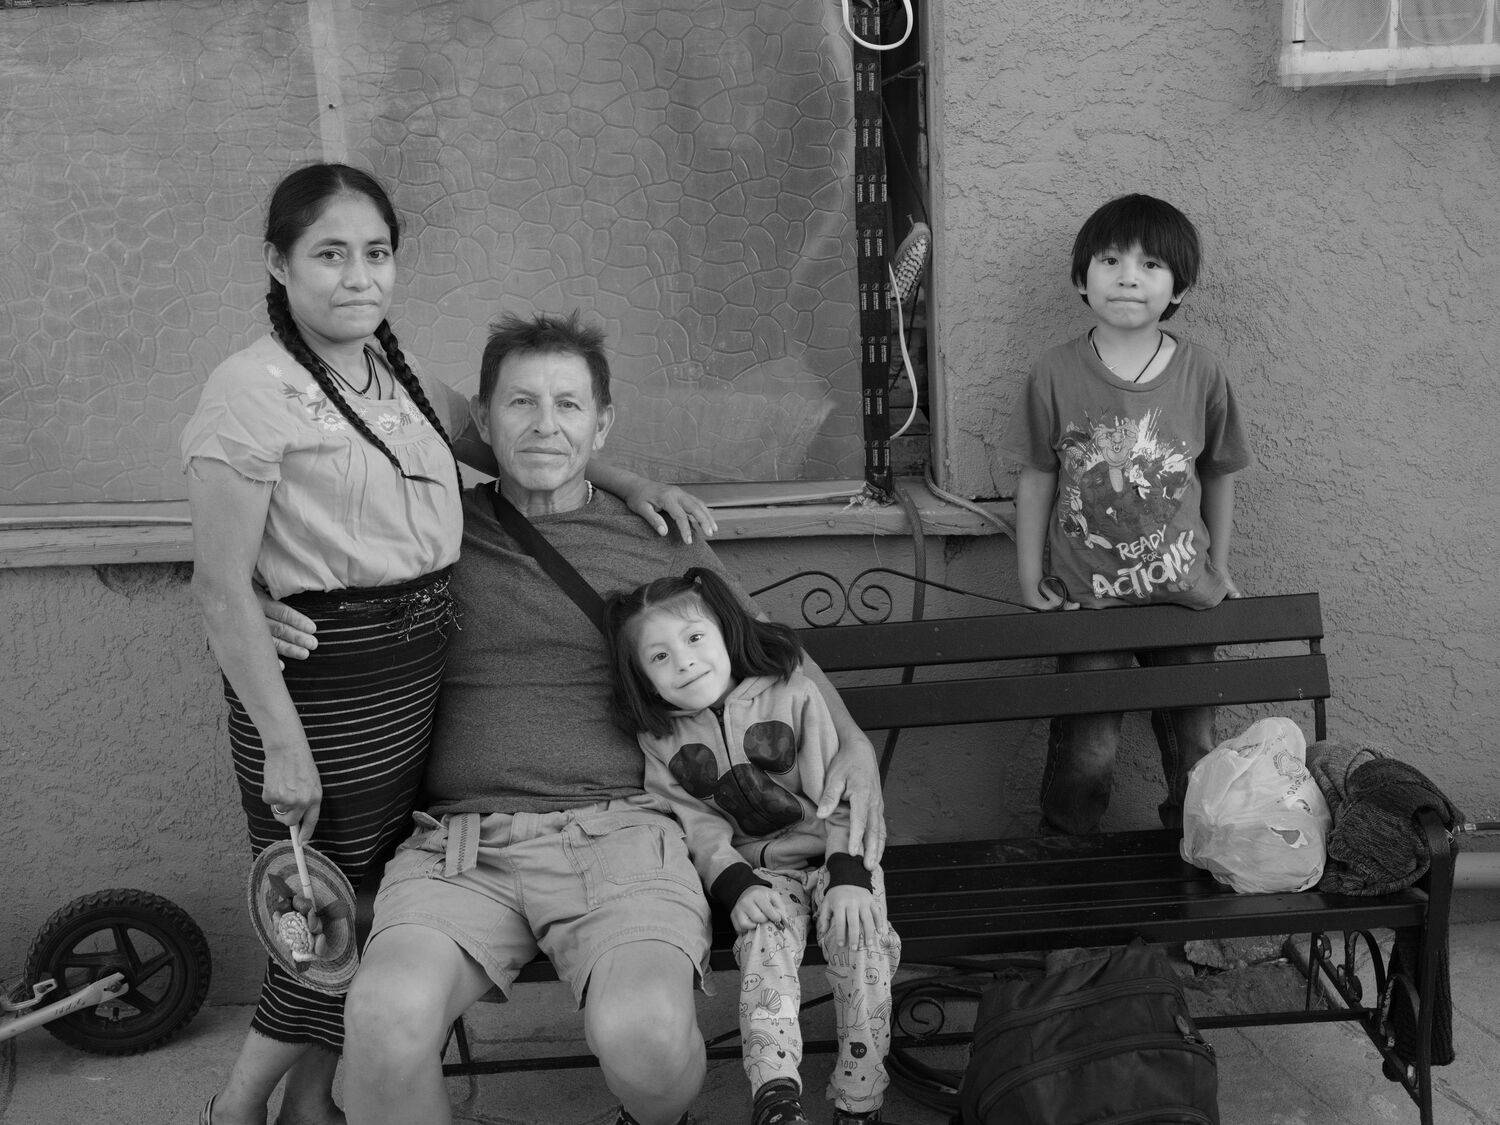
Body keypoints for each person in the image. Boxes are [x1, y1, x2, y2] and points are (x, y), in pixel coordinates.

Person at [182, 164, 710, 1125]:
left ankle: (310, 1105)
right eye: (329, 254)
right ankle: (241, 1104)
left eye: (375, 253)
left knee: (355, 915)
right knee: (321, 919)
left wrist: (632, 485)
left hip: (415, 693)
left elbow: (529, 437)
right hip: (323, 689)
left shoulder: (400, 375)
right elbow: (218, 585)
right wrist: (281, 724)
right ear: (278, 263)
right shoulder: (248, 389)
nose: (357, 276)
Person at [317, 311, 886, 1125]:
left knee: (647, 1039)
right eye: (520, 402)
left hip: (626, 835)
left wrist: (853, 740)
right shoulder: (436, 525)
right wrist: (267, 608)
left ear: (603, 422)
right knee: (381, 1023)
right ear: (483, 419)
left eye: (569, 405)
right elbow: (358, 429)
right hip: (464, 846)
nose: (545, 425)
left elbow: (765, 649)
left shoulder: (657, 537)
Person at [602, 568, 902, 1125]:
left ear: (725, 633)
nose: (685, 662)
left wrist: (849, 877)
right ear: (643, 677)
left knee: (863, 942)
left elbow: (838, 794)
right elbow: (695, 824)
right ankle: (776, 1097)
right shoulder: (661, 738)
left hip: (836, 857)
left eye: (695, 638)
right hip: (760, 875)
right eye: (660, 656)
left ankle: (860, 1101)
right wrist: (737, 885)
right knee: (764, 942)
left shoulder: (793, 693)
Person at [1000, 193, 1252, 836]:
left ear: (1179, 288)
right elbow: (1037, 475)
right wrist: (1028, 578)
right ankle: (1068, 872)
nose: (1128, 278)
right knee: (1086, 758)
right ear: (1081, 277)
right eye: (1110, 260)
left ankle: (1196, 866)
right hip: (1089, 601)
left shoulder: (1201, 372)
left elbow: (1219, 472)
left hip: (1184, 600)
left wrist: (1220, 566)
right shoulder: (1054, 372)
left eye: (1150, 265)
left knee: (1197, 754)